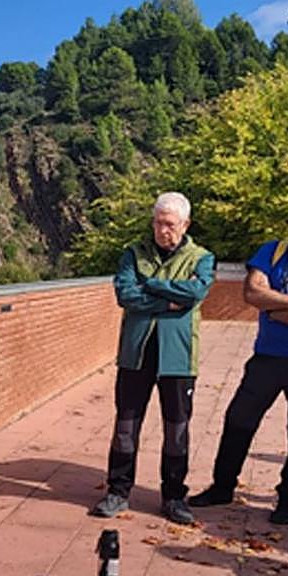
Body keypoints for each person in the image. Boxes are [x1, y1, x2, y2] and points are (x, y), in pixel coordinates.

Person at [189, 194, 288, 524]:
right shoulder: (272, 251)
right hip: (267, 357)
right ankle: (222, 486)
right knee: (238, 420)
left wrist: (273, 310)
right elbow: (251, 293)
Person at [90, 192, 215, 525]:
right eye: (158, 223)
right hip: (137, 354)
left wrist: (153, 285)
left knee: (177, 429)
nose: (163, 231)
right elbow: (125, 294)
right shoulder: (133, 253)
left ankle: (174, 496)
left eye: (170, 224)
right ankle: (118, 491)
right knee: (126, 426)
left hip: (178, 357)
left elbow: (196, 293)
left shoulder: (201, 257)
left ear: (185, 224)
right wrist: (169, 298)